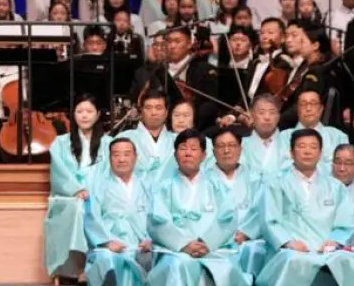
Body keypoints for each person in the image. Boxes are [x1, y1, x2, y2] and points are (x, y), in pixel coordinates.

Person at [257, 128, 354, 286]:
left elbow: (344, 223)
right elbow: (269, 221)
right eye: (301, 146)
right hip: (291, 248)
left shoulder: (335, 186)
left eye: (313, 147)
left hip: (326, 248)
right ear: (291, 152)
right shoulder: (275, 182)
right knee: (293, 260)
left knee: (345, 259)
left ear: (320, 154)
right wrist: (288, 242)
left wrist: (334, 241)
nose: (307, 151)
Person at [146, 129, 246, 286]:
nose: (188, 153)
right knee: (179, 265)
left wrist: (207, 242)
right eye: (183, 148)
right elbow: (158, 222)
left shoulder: (218, 187)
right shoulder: (163, 188)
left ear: (204, 155)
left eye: (193, 149)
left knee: (226, 268)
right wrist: (184, 244)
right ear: (175, 154)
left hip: (212, 249)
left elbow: (227, 220)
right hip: (177, 251)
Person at [44, 95, 103, 284]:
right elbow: (60, 173)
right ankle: (75, 268)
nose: (84, 116)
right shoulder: (60, 142)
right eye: (79, 111)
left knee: (90, 206)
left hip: (99, 194)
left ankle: (92, 265)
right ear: (73, 115)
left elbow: (109, 173)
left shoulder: (109, 142)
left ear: (98, 114)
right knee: (78, 208)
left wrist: (92, 191)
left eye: (89, 111)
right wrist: (76, 189)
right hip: (69, 197)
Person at [83, 136, 152, 286]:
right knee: (107, 259)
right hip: (111, 242)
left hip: (142, 244)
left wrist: (151, 239)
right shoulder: (98, 184)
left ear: (135, 157)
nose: (121, 159)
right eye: (116, 154)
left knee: (164, 259)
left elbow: (158, 215)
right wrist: (106, 241)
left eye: (127, 154)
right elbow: (91, 216)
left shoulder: (147, 183)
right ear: (109, 158)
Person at [208, 126, 267, 280]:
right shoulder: (202, 179)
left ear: (240, 150)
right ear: (213, 152)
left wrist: (247, 232)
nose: (226, 150)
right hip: (215, 244)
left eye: (232, 145)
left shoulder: (256, 178)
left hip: (249, 242)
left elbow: (263, 209)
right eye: (221, 146)